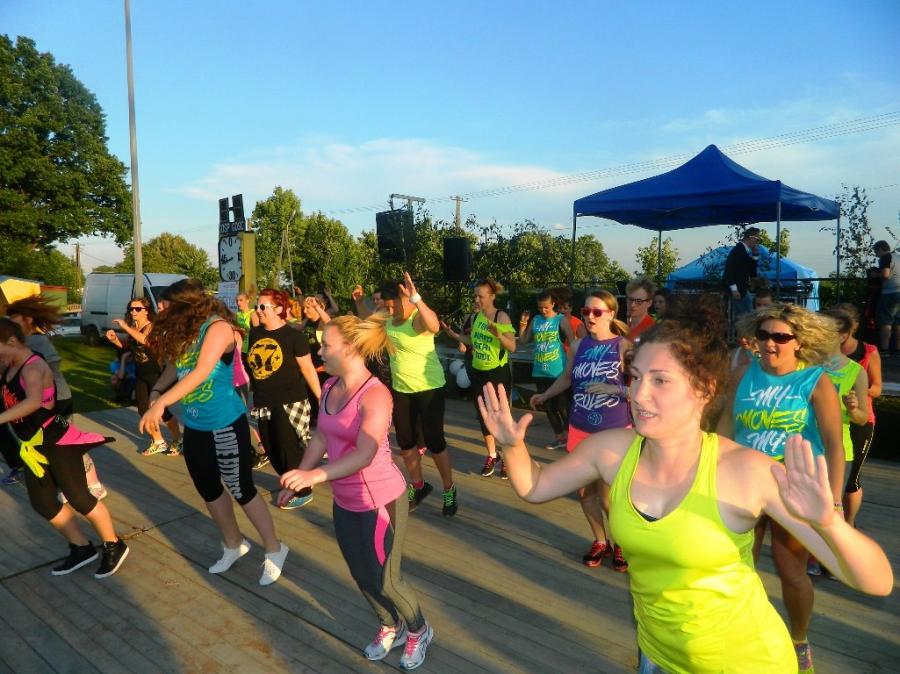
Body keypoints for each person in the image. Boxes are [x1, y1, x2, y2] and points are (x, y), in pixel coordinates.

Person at [477, 297, 892, 674]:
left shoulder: (746, 471)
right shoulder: (611, 451)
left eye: (660, 381)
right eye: (635, 377)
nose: (638, 394)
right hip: (657, 657)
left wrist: (830, 522)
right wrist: (513, 447)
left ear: (704, 389)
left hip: (748, 662)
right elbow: (534, 487)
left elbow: (877, 582)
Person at [278, 314, 433, 670]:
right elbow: (321, 436)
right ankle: (389, 624)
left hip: (381, 500)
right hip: (345, 500)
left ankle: (419, 629)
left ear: (349, 348)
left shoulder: (375, 394)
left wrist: (315, 475)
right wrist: (300, 477)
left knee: (387, 580)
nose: (319, 351)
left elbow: (364, 453)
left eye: (325, 345)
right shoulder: (330, 386)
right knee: (361, 573)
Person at [719, 303, 845, 672]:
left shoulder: (815, 380)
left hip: (794, 487)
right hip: (743, 484)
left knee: (791, 571)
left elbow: (834, 445)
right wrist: (710, 471)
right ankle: (742, 634)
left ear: (798, 342)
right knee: (737, 567)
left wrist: (835, 502)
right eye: (764, 335)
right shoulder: (742, 374)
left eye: (780, 337)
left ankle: (799, 639)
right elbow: (725, 427)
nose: (770, 343)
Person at [139, 279, 288, 586]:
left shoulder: (218, 328)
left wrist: (162, 403)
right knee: (207, 488)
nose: (162, 310)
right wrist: (157, 391)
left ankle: (275, 548)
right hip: (195, 424)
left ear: (186, 305)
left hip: (225, 423)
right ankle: (233, 544)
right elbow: (176, 366)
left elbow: (201, 370)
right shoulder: (186, 330)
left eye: (168, 305)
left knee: (241, 487)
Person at [0, 318, 129, 578]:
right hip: (34, 447)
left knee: (80, 498)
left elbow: (34, 402)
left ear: (11, 342)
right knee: (43, 503)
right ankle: (82, 548)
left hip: (58, 441)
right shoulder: (7, 366)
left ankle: (114, 544)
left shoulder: (32, 367)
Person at [529, 290, 631, 570]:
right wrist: (545, 395)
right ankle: (600, 541)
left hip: (612, 432)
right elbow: (566, 377)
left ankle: (621, 543)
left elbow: (641, 391)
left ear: (611, 314)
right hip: (581, 428)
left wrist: (614, 390)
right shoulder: (577, 346)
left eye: (597, 312)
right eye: (586, 311)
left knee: (608, 497)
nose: (590, 317)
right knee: (586, 494)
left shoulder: (624, 347)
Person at [4, 296, 105, 497]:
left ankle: (93, 484)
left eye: (14, 321)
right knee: (55, 445)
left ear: (28, 319)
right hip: (45, 402)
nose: (10, 327)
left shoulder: (35, 342)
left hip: (58, 401)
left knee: (68, 444)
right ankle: (66, 483)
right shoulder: (29, 342)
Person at [380, 273, 458, 516]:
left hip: (429, 388)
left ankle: (449, 488)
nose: (390, 311)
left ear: (405, 299)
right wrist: (360, 302)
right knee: (405, 444)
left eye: (394, 305)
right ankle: (419, 485)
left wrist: (416, 298)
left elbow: (434, 326)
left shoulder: (417, 319)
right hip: (401, 390)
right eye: (387, 306)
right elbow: (365, 320)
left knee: (435, 442)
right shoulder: (389, 319)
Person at [246, 288, 321, 509]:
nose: (258, 310)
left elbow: (308, 370)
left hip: (290, 400)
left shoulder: (294, 337)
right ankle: (292, 481)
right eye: (257, 306)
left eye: (263, 306)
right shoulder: (255, 333)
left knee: (289, 448)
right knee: (271, 448)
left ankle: (303, 489)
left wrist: (321, 399)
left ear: (279, 309)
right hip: (263, 400)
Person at [442, 278, 516, 479]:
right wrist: (454, 335)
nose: (476, 300)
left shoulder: (501, 317)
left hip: (498, 373)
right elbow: (470, 340)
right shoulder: (475, 317)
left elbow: (512, 346)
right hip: (478, 372)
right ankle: (492, 455)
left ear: (492, 296)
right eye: (475, 296)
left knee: (502, 417)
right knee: (484, 416)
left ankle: (507, 457)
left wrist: (498, 335)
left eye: (480, 296)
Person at [106, 297, 183, 456]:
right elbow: (128, 346)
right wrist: (114, 340)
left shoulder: (151, 327)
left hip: (155, 373)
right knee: (143, 410)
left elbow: (146, 341)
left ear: (146, 311)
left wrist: (125, 327)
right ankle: (158, 441)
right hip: (141, 373)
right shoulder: (134, 327)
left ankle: (178, 439)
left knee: (162, 410)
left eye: (138, 309)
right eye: (131, 309)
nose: (133, 312)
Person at [829, 304, 881, 528]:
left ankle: (849, 525)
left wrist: (855, 394)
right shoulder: (813, 362)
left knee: (851, 481)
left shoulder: (867, 353)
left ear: (851, 329)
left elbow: (877, 388)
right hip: (824, 431)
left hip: (859, 421)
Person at [518, 290, 575, 452]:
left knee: (563, 406)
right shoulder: (536, 320)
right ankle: (559, 437)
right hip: (540, 370)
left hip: (558, 371)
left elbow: (573, 342)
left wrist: (573, 364)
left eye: (546, 307)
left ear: (553, 304)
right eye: (540, 308)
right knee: (548, 407)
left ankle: (570, 437)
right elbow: (523, 341)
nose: (543, 311)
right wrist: (523, 324)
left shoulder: (560, 319)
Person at [723, 226, 761, 320]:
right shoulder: (738, 251)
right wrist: (734, 289)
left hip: (741, 288)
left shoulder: (742, 250)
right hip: (739, 289)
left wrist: (755, 255)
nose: (757, 242)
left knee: (744, 315)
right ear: (751, 238)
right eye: (757, 239)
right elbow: (730, 270)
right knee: (747, 316)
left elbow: (750, 270)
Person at [873, 240, 900, 355]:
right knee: (898, 322)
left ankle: (884, 349)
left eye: (876, 252)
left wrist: (875, 275)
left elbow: (885, 274)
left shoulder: (885, 257)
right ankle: (898, 349)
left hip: (890, 293)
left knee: (886, 322)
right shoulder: (897, 257)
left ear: (880, 249)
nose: (876, 255)